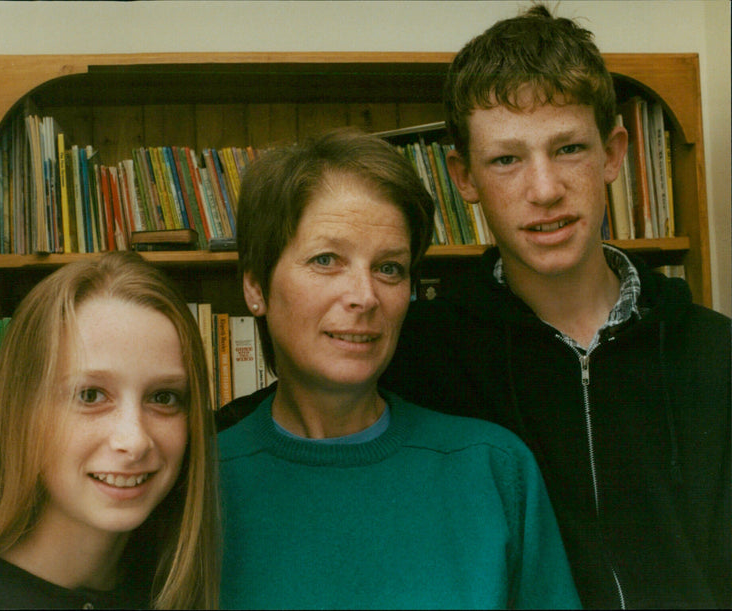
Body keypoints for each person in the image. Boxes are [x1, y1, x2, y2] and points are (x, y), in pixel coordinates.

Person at [379, 5, 731, 609]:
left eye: (568, 148)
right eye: (506, 159)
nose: (544, 190)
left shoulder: (715, 351)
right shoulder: (417, 359)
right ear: (464, 177)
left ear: (613, 153)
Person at [218, 128, 581, 609]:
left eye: (389, 268)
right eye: (326, 260)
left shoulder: (493, 469)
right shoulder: (199, 484)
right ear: (255, 287)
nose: (365, 296)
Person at [0, 251, 220, 609]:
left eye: (163, 397)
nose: (134, 440)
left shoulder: (180, 586)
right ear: (21, 412)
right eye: (90, 395)